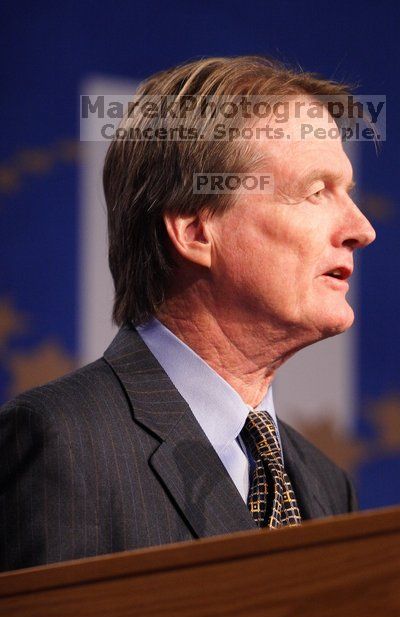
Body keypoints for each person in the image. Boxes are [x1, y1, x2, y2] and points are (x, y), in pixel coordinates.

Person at [0, 56, 375, 572]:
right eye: (316, 192)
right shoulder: (65, 443)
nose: (361, 227)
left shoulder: (327, 486)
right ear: (197, 231)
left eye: (348, 193)